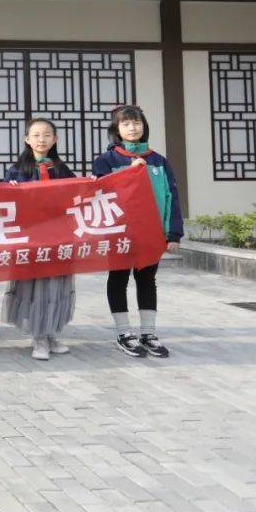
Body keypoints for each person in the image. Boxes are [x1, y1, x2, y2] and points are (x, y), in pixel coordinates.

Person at [92, 105, 183, 358]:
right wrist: (130, 172)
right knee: (119, 279)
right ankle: (124, 333)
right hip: (119, 233)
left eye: (137, 123)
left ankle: (148, 333)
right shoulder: (106, 160)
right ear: (116, 130)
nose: (133, 128)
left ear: (144, 126)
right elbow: (98, 194)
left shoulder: (158, 160)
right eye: (126, 124)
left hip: (151, 233)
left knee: (147, 280)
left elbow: (171, 195)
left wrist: (173, 233)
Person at [0, 119, 77, 360]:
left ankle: (52, 332)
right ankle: (39, 337)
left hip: (57, 237)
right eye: (36, 135)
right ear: (27, 139)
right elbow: (3, 198)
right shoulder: (17, 169)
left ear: (55, 139)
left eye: (47, 135)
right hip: (31, 239)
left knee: (56, 286)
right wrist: (5, 186)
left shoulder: (61, 168)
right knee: (36, 287)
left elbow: (77, 192)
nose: (41, 139)